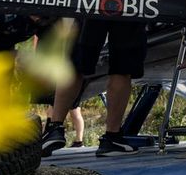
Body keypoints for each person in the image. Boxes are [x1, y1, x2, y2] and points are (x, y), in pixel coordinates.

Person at [41, 19, 147, 157]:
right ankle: (112, 137)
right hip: (130, 6)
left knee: (75, 65)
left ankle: (55, 127)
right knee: (122, 69)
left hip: (92, 3)